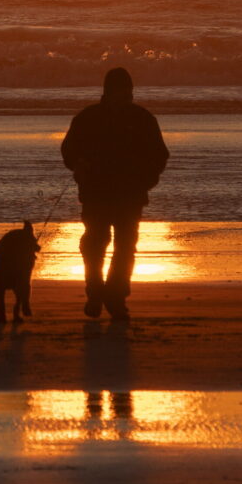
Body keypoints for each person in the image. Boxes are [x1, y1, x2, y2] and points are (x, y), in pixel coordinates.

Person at [59, 66, 169, 319]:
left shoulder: (142, 119)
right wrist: (78, 165)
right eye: (120, 90)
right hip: (96, 192)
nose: (125, 94)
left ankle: (116, 296)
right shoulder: (88, 118)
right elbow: (68, 151)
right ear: (108, 91)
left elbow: (159, 155)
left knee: (125, 246)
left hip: (130, 194)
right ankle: (96, 292)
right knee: (95, 244)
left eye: (127, 90)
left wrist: (147, 181)